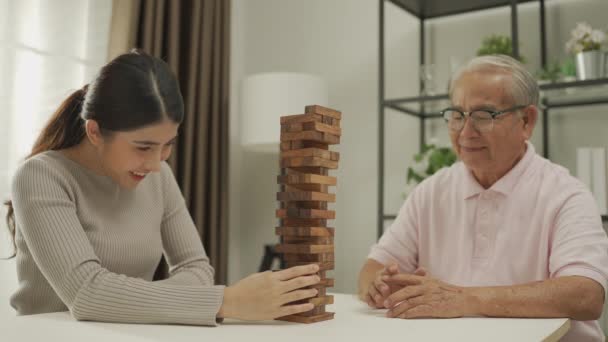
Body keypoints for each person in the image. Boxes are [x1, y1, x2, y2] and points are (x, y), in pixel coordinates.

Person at [4, 50, 320, 325]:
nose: (156, 164)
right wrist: (227, 302)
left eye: (167, 145)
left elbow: (197, 268)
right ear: (95, 131)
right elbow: (87, 294)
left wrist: (129, 302)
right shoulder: (40, 176)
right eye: (143, 147)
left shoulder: (158, 176)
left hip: (133, 333)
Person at [358, 54, 608, 341]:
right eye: (456, 115)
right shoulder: (431, 191)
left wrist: (464, 299)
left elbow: (586, 295)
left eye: (483, 116)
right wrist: (377, 285)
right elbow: (374, 266)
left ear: (526, 121)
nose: (465, 132)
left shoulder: (566, 195)